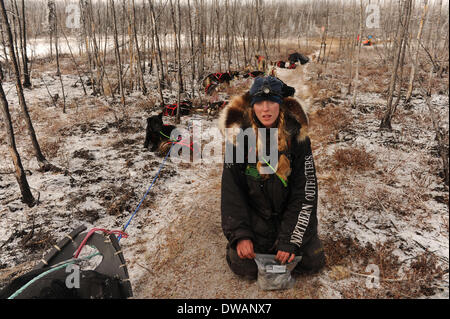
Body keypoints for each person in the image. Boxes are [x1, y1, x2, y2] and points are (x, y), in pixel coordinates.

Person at [218, 76, 325, 280]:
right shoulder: (239, 137)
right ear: (252, 105)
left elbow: (305, 191)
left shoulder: (298, 137)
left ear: (281, 104)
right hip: (256, 220)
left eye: (271, 102)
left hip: (288, 217)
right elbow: (232, 191)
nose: (265, 109)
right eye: (259, 102)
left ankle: (286, 243)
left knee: (313, 260)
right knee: (244, 267)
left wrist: (290, 239)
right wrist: (241, 236)